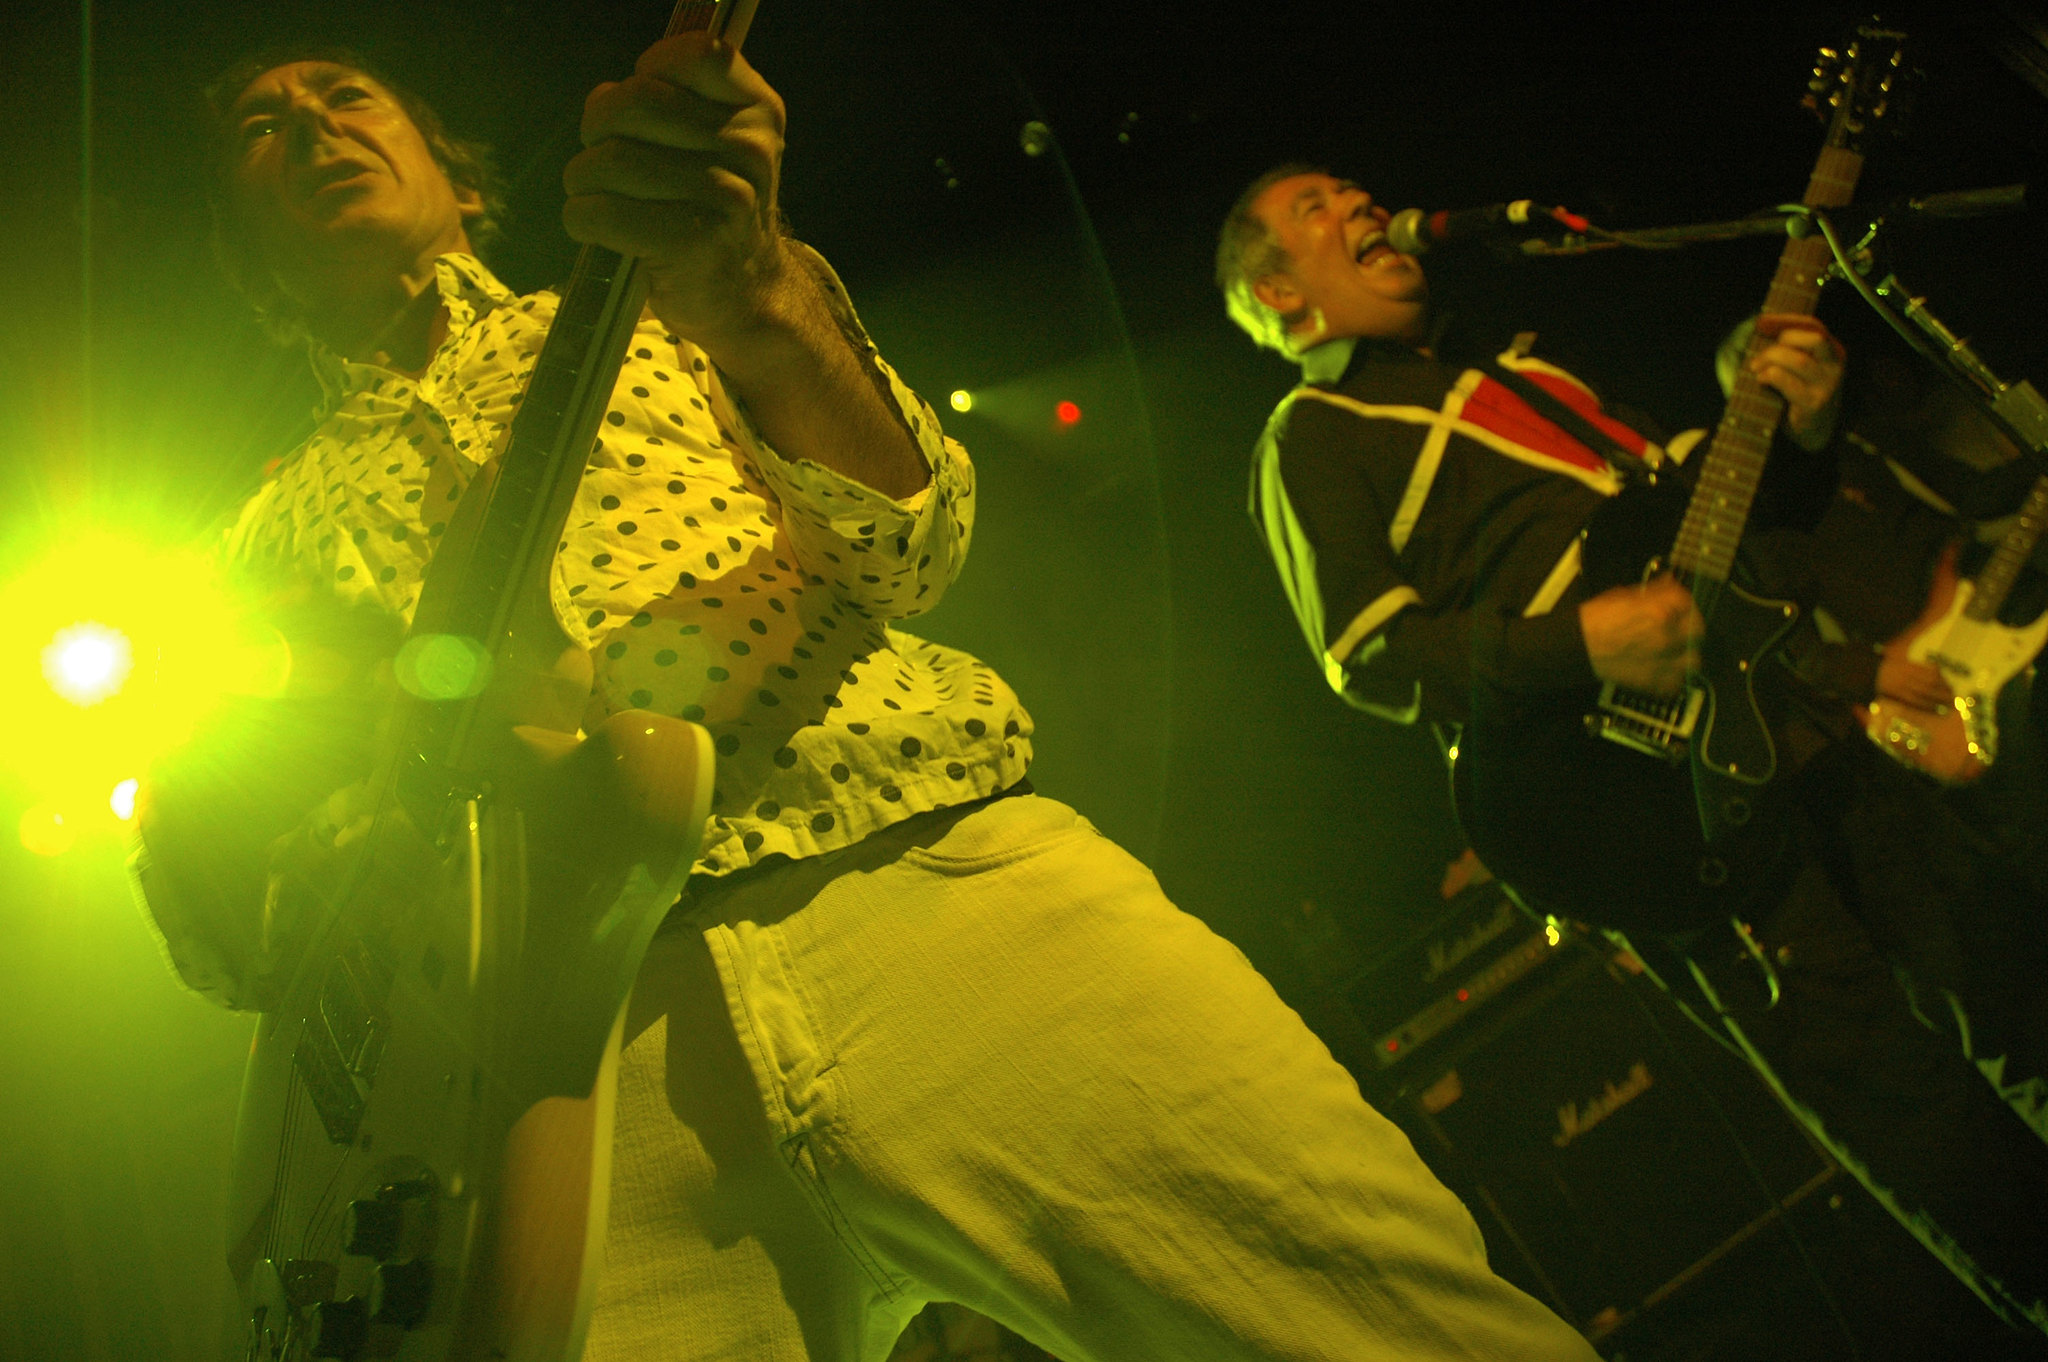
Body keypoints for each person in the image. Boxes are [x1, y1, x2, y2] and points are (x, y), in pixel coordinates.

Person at [132, 40, 1609, 1362]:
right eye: (262, 129)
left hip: (924, 885)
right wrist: (301, 822)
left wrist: (753, 281)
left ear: (453, 176)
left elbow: (907, 537)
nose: (312, 125)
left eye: (344, 95)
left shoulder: (653, 301)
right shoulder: (249, 545)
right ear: (239, 246)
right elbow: (218, 923)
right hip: (565, 1087)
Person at [1216, 164, 2048, 1339]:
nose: (1358, 206)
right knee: (1906, 1109)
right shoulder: (1309, 437)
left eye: (1355, 191)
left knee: (2017, 981)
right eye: (1314, 211)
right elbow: (1372, 658)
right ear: (1275, 300)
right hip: (1651, 802)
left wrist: (1799, 428)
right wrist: (1580, 645)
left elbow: (1733, 535)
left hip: (1799, 724)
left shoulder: (1522, 370)